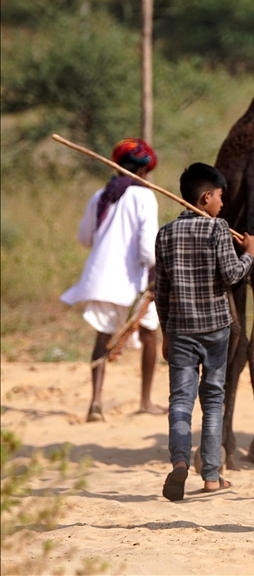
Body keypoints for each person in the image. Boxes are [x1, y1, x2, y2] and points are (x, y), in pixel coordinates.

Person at [155, 163, 254, 501]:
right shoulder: (218, 229)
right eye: (219, 197)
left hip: (181, 329)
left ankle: (181, 461)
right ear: (205, 197)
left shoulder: (165, 234)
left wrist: (166, 333)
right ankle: (212, 476)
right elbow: (231, 276)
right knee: (213, 400)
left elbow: (162, 292)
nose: (222, 204)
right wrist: (250, 255)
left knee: (180, 400)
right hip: (215, 328)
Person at [61, 138, 164, 422]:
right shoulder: (145, 196)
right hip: (134, 281)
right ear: (144, 171)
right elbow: (147, 248)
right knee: (149, 333)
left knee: (102, 337)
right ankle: (145, 401)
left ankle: (95, 403)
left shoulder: (101, 195)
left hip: (101, 279)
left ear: (117, 166)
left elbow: (85, 238)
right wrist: (157, 272)